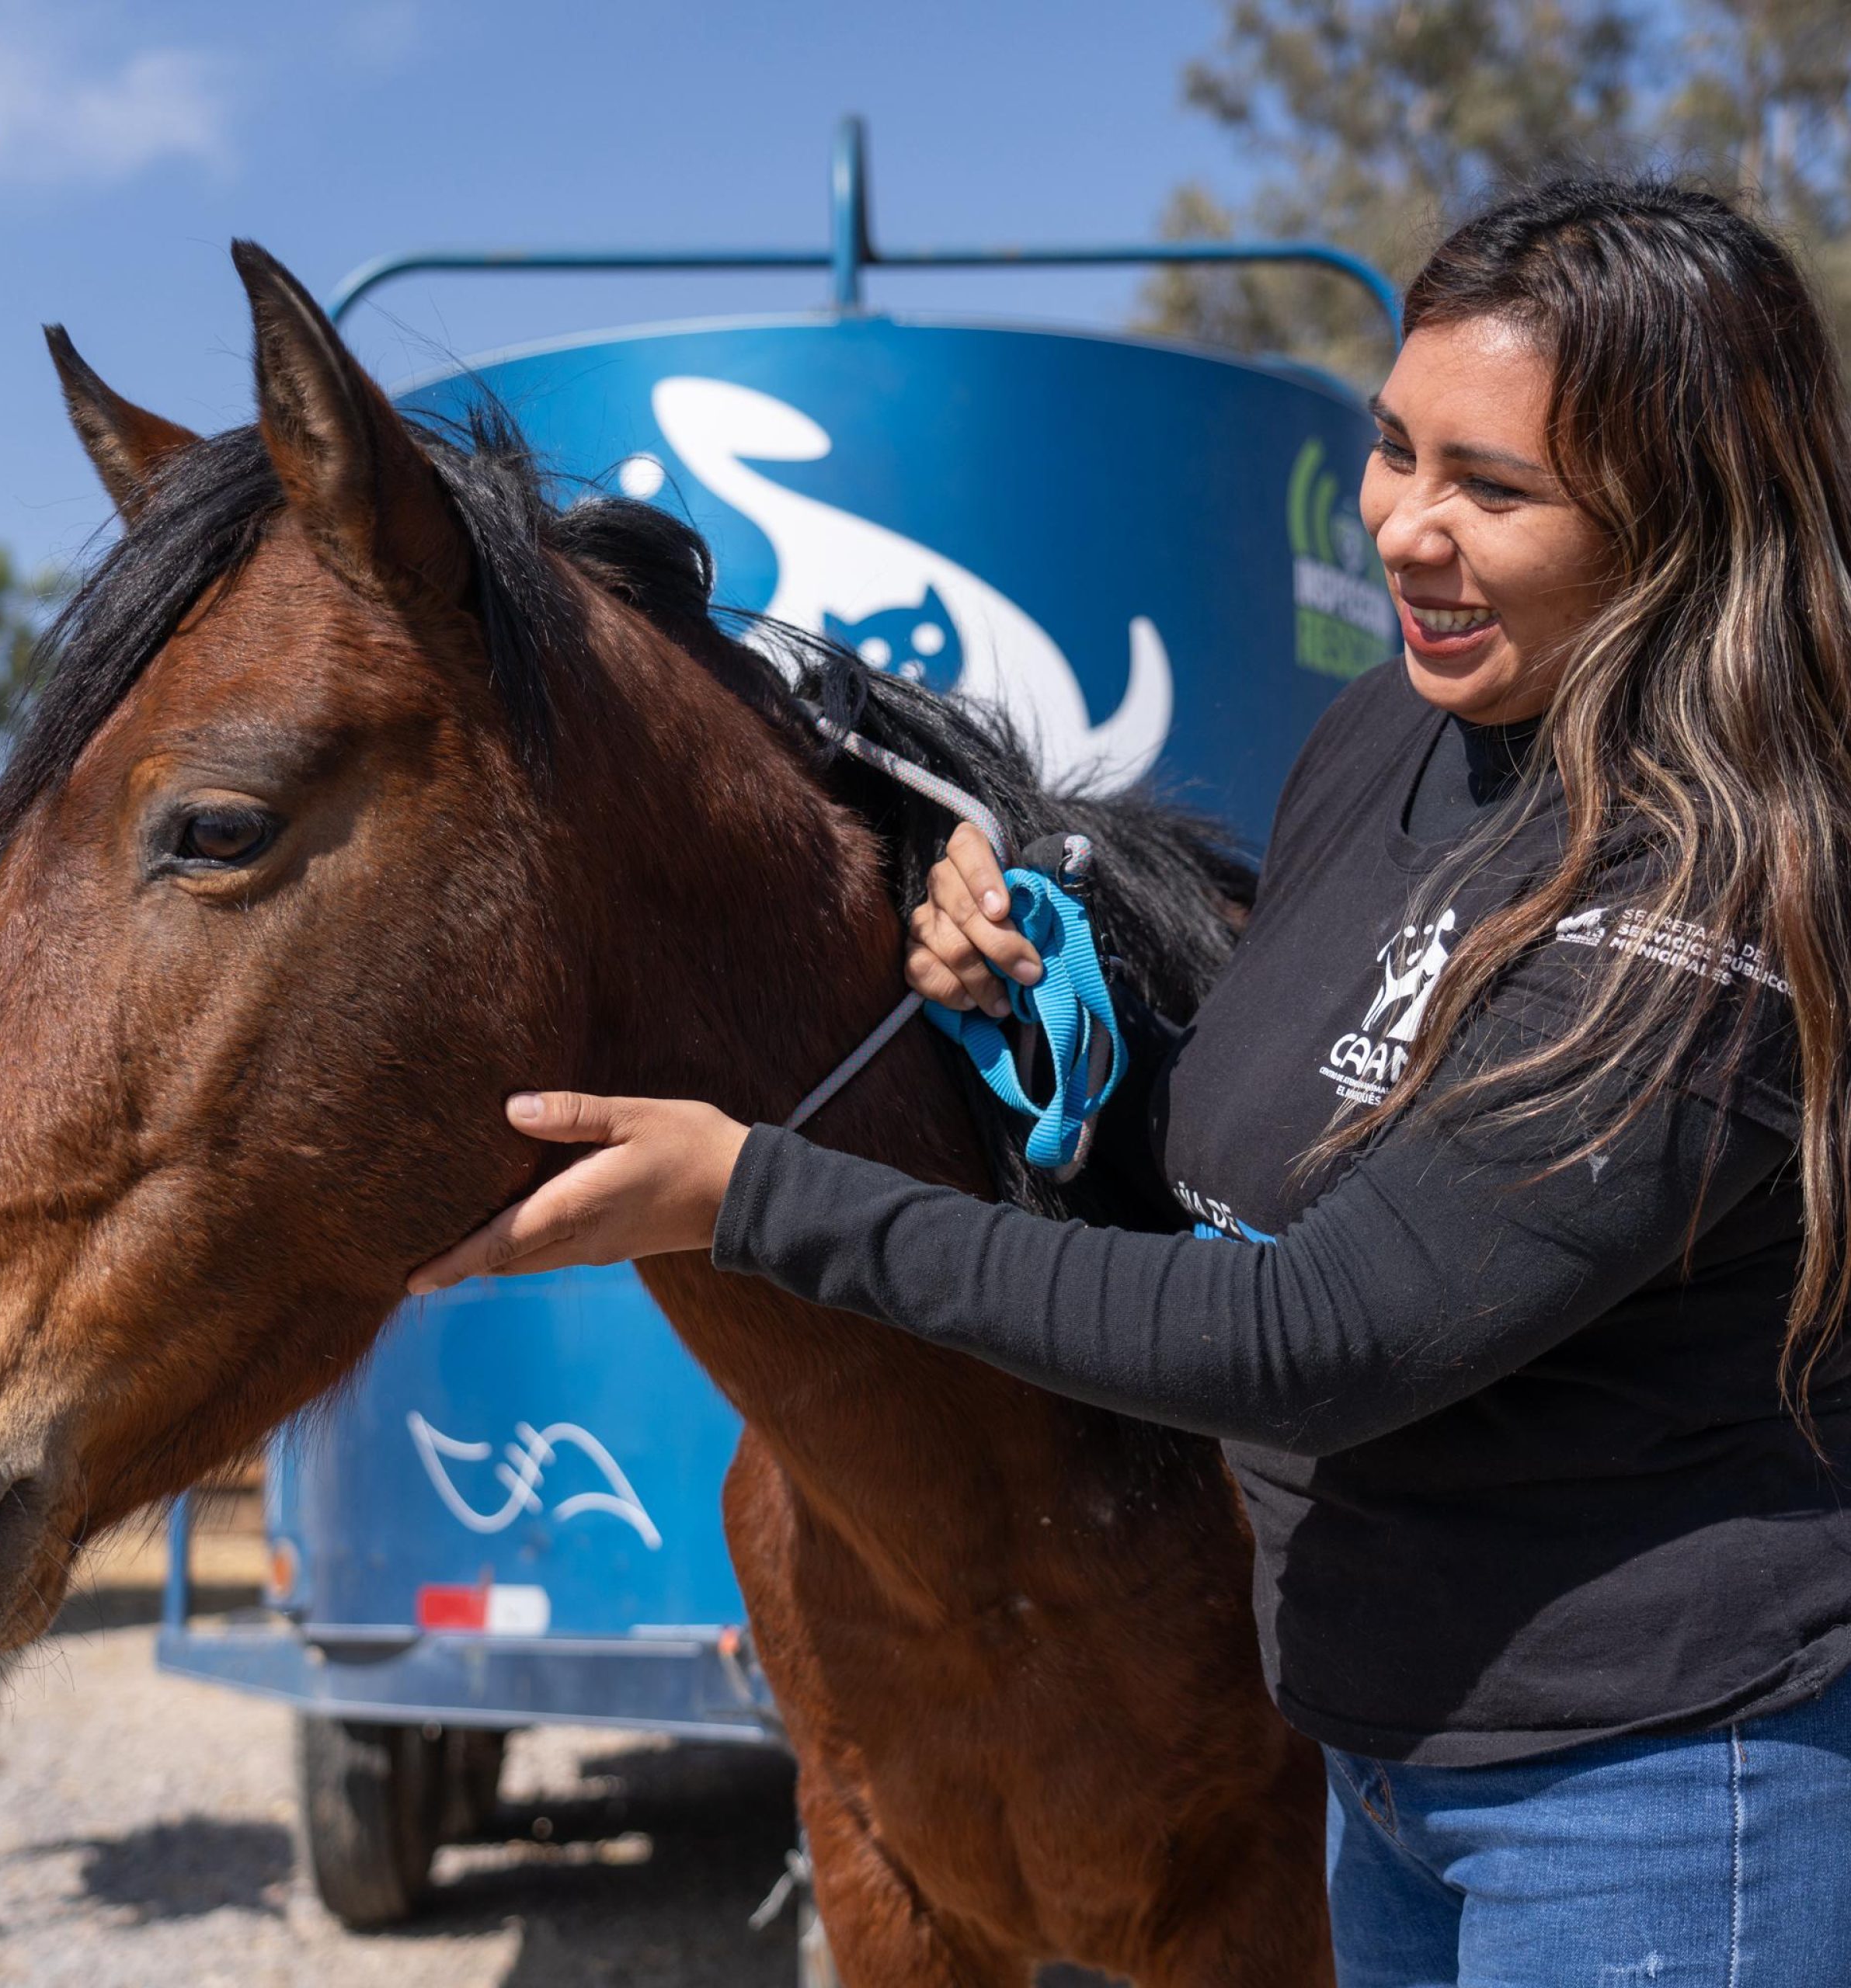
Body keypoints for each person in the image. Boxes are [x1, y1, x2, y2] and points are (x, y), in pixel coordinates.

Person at [410, 179, 1851, 1983]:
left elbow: (1317, 1334)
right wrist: (1060, 1042)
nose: (1404, 527)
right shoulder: (1396, 734)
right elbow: (1267, 1161)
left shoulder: (1712, 890)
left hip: (1645, 1794)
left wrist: (753, 1195)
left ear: (1679, 521)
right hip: (1387, 1754)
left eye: (1492, 488)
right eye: (1395, 451)